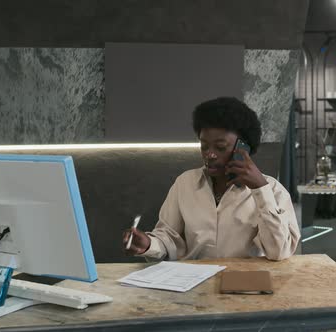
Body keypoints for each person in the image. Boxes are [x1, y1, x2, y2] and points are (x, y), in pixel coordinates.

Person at [122, 97, 301, 261]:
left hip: (244, 286)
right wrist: (148, 244)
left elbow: (279, 252)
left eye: (220, 147)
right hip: (191, 286)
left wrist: (261, 190)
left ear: (243, 148)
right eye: (204, 146)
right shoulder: (185, 183)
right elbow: (169, 237)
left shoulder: (274, 191)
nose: (210, 154)